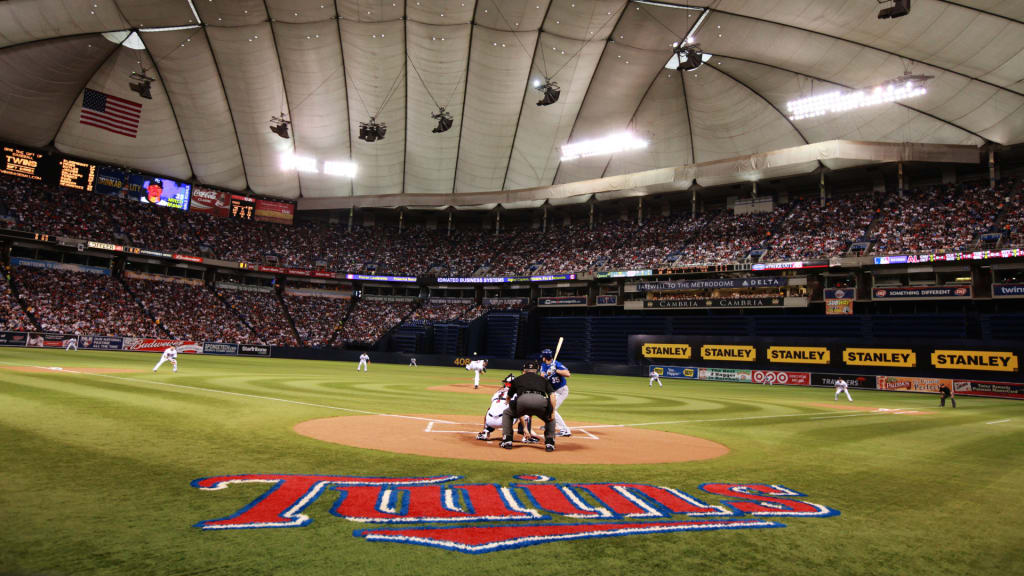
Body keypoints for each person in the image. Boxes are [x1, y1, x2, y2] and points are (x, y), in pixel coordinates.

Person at [501, 361, 556, 452]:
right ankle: (550, 442)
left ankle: (507, 440)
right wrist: (552, 412)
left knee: (507, 413)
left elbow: (509, 396)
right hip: (540, 401)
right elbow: (552, 396)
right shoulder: (543, 379)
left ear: (524, 370)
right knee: (550, 418)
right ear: (536, 370)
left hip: (522, 401)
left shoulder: (517, 379)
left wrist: (510, 404)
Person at [477, 374, 537, 443]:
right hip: (503, 421)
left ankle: (485, 432)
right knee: (525, 411)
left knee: (490, 409)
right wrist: (525, 428)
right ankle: (526, 437)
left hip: (489, 421)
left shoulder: (498, 392)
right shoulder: (515, 393)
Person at [540, 348, 572, 437]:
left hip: (561, 390)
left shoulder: (556, 364)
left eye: (543, 356)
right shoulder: (543, 365)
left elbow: (568, 374)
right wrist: (548, 373)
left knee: (552, 409)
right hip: (554, 392)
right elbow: (542, 377)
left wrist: (556, 370)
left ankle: (565, 430)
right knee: (548, 408)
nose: (542, 358)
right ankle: (549, 425)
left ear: (545, 357)